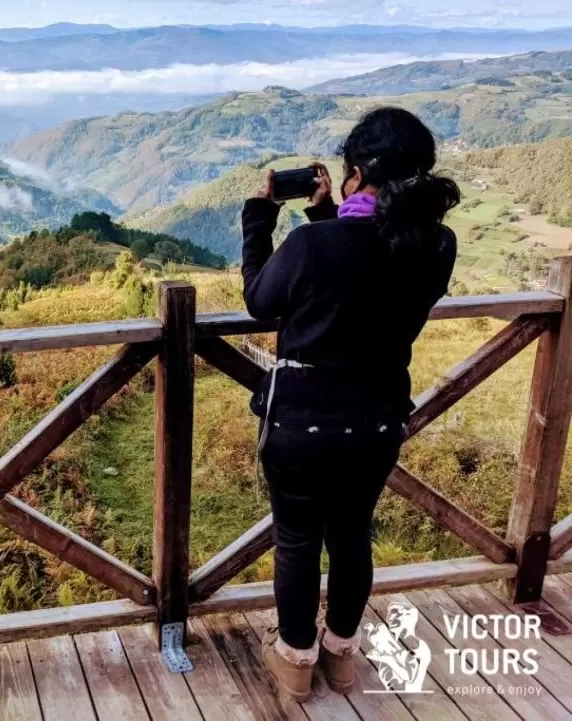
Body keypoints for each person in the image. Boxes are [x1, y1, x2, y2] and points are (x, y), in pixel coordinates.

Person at [241, 107, 461, 699]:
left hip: (302, 424)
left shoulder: (315, 243)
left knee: (297, 541)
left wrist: (261, 217)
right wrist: (326, 212)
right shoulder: (437, 245)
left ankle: (294, 660)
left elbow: (263, 299)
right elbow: (367, 265)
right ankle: (341, 657)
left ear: (357, 173)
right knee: (351, 536)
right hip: (378, 420)